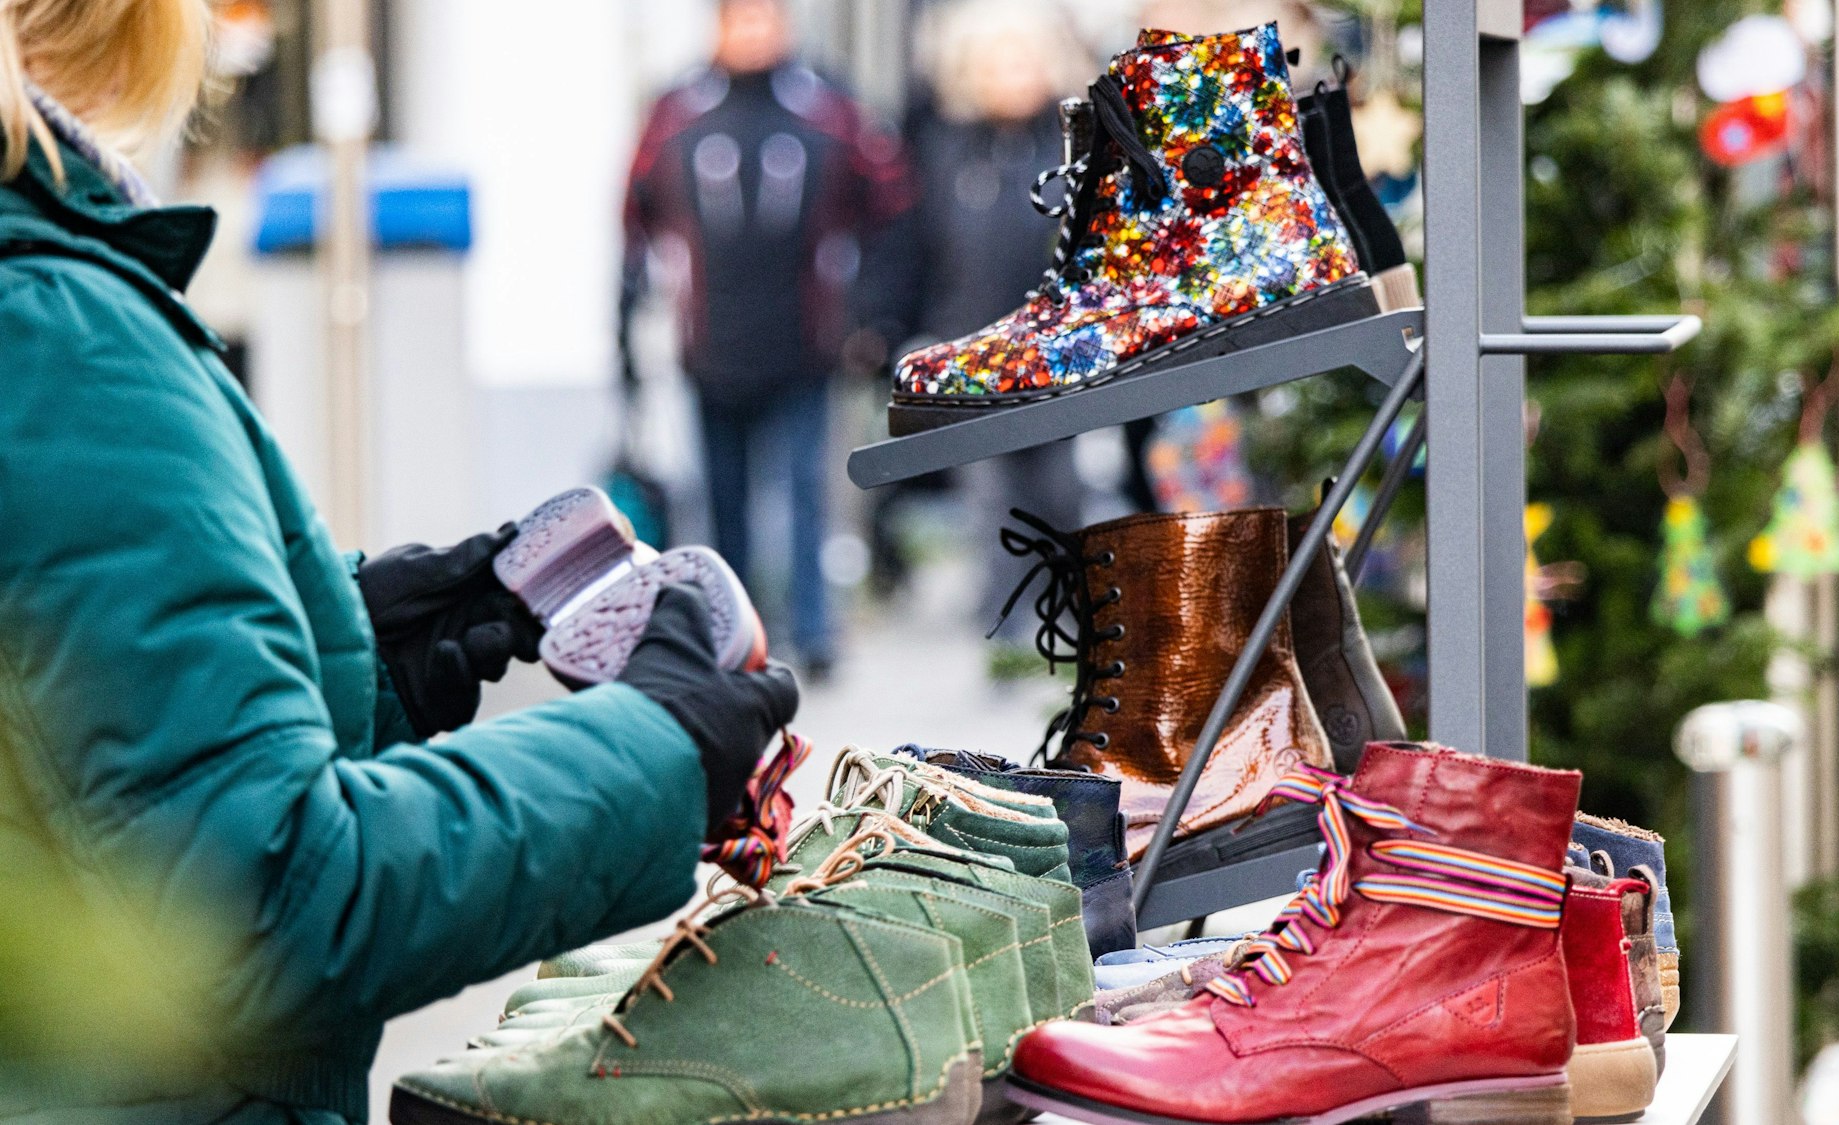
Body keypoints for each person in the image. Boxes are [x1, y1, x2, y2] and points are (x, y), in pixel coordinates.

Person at [0, 2, 798, 1121]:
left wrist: (350, 657)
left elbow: (63, 771)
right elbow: (264, 908)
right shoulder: (52, 324)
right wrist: (654, 748)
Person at [622, 0, 913, 681]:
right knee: (723, 499)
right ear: (718, 27)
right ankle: (739, 630)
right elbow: (634, 213)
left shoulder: (829, 108)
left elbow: (890, 207)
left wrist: (870, 315)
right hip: (710, 345)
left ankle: (814, 631)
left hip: (806, 344)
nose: (754, 33)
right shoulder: (676, 113)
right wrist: (629, 317)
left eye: (766, 18)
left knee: (807, 489)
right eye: (740, 19)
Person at [895, 0, 1094, 659]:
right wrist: (904, 328)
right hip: (968, 347)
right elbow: (912, 246)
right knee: (991, 496)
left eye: (1023, 61)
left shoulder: (1071, 147)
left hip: (1055, 351)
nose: (1012, 76)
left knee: (1060, 489)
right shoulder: (946, 150)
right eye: (997, 64)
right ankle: (1004, 627)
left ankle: (1071, 610)